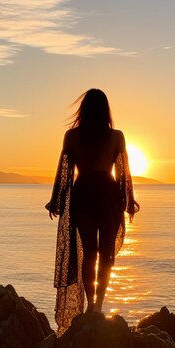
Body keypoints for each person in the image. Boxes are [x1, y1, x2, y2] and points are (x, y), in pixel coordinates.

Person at [46, 89, 139, 331]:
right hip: (107, 195)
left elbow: (64, 173)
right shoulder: (116, 136)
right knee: (106, 253)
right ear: (105, 109)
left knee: (89, 252)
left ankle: (90, 306)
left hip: (84, 193)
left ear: (83, 109)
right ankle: (98, 305)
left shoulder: (73, 136)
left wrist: (56, 199)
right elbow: (123, 173)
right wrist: (128, 200)